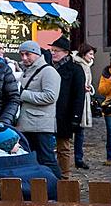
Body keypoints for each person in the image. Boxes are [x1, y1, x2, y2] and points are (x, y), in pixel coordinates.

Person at [15, 41, 62, 179]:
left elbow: (50, 96)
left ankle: (60, 188)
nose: (24, 58)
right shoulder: (27, 71)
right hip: (27, 124)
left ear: (37, 53)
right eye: (22, 54)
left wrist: (22, 94)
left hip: (41, 125)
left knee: (47, 159)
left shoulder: (48, 71)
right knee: (33, 160)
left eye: (28, 54)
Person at [50, 37, 86, 179]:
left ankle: (64, 176)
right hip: (49, 113)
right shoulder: (49, 67)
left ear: (66, 52)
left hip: (65, 114)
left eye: (56, 51)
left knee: (63, 147)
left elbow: (79, 96)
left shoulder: (76, 69)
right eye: (52, 50)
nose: (53, 53)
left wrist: (76, 118)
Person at [72, 43, 97, 169]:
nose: (92, 57)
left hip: (84, 99)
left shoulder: (86, 66)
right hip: (77, 101)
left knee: (80, 132)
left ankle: (79, 158)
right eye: (90, 54)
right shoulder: (78, 66)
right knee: (75, 131)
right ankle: (76, 158)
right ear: (83, 54)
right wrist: (82, 88)